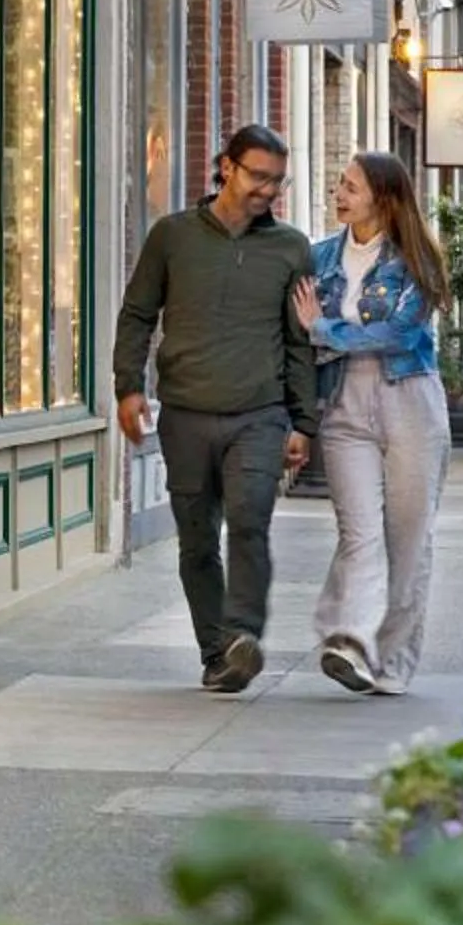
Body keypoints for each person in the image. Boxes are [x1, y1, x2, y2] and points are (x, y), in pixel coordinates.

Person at [113, 124, 319, 693]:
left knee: (249, 521)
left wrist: (304, 422)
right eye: (258, 176)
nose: (267, 191)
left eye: (277, 181)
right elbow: (137, 315)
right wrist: (128, 387)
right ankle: (217, 652)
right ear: (225, 167)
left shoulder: (290, 248)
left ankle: (242, 635)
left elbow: (298, 341)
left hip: (259, 412)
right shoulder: (172, 236)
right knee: (198, 539)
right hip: (185, 412)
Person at [291, 151, 451, 695]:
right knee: (358, 532)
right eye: (339, 183)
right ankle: (350, 644)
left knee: (408, 538)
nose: (339, 193)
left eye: (351, 187)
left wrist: (324, 331)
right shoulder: (317, 259)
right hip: (342, 404)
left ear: (383, 198)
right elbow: (293, 328)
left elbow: (400, 335)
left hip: (408, 398)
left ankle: (394, 660)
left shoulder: (418, 260)